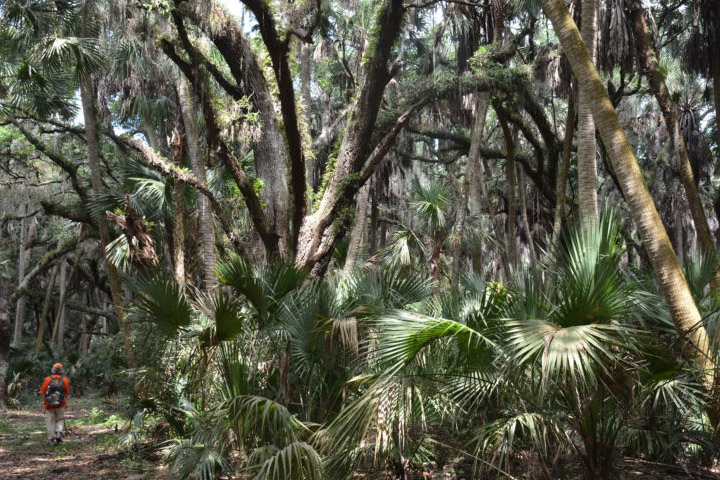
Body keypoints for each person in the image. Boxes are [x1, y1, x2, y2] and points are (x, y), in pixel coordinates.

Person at [38, 363, 70, 445]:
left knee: (50, 421)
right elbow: (67, 392)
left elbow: (42, 392)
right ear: (61, 370)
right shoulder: (64, 379)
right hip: (61, 404)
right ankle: (59, 432)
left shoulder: (48, 379)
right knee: (59, 419)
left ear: (53, 370)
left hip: (48, 405)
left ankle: (52, 439)